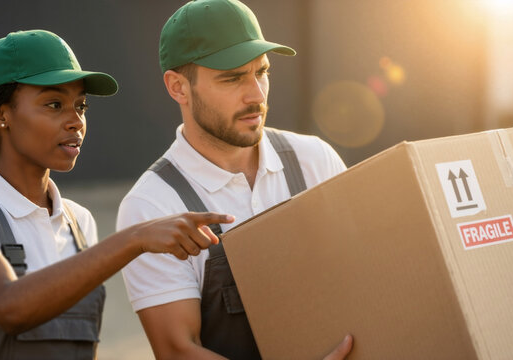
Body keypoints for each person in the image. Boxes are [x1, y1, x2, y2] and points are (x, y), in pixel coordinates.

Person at [0, 29, 234, 360]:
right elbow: (8, 306)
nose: (76, 121)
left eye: (80, 106)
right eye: (54, 104)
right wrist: (134, 238)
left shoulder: (78, 223)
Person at [117, 1, 353, 359]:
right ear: (178, 87)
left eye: (262, 72)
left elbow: (364, 276)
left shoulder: (314, 160)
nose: (256, 95)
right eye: (232, 78)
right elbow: (179, 351)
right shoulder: (152, 205)